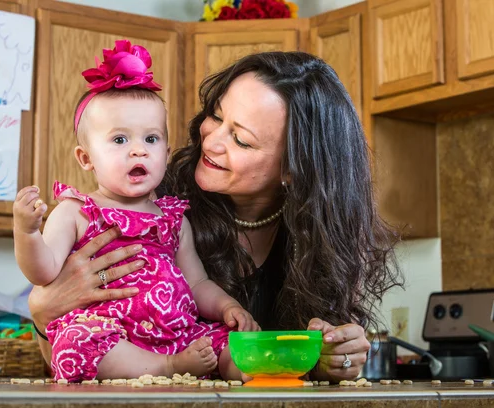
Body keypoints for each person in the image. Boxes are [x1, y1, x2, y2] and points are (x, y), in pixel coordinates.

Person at [28, 50, 403, 382]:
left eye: (241, 140)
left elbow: (290, 369)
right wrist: (43, 312)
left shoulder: (320, 239)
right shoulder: (150, 200)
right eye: (216, 115)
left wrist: (328, 358)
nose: (210, 141)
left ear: (294, 169)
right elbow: (64, 364)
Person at [14, 40, 257, 382]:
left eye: (151, 139)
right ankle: (165, 369)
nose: (139, 151)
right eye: (119, 140)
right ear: (86, 159)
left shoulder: (173, 218)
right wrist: (27, 232)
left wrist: (227, 307)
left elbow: (198, 282)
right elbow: (42, 272)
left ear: (167, 150)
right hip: (114, 340)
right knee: (74, 343)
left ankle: (239, 373)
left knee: (235, 345)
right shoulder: (75, 212)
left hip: (178, 337)